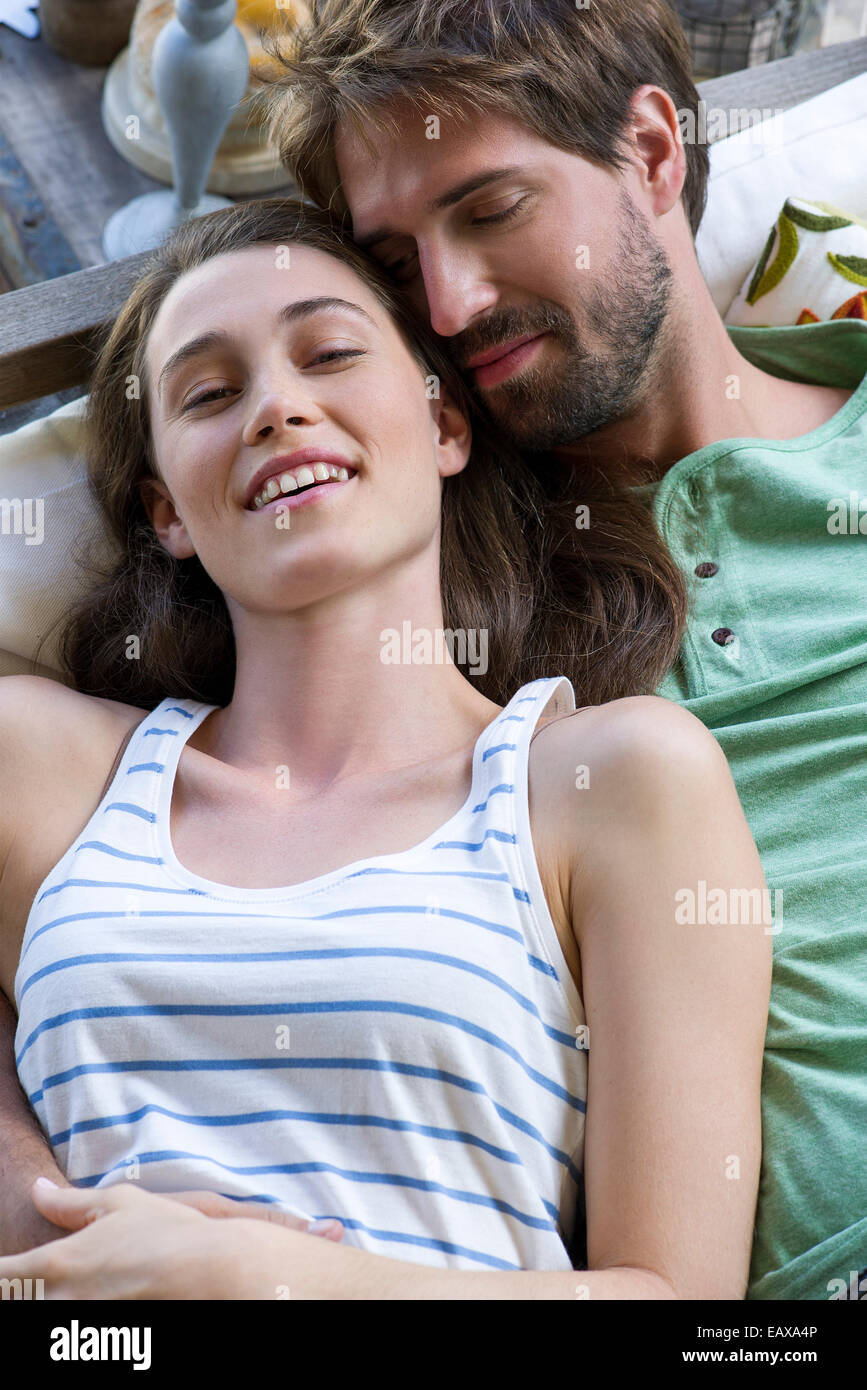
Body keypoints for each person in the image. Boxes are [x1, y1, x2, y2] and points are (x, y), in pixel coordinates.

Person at [0, 199, 771, 1298]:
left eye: (331, 353)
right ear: (167, 508)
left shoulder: (610, 784)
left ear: (446, 425)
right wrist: (44, 1235)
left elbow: (687, 1310)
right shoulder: (44, 767)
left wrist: (269, 1280)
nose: (278, 407)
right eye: (211, 393)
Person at [257, 0, 867, 1302]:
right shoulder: (428, 599)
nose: (450, 302)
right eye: (395, 257)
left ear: (650, 152)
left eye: (487, 209)